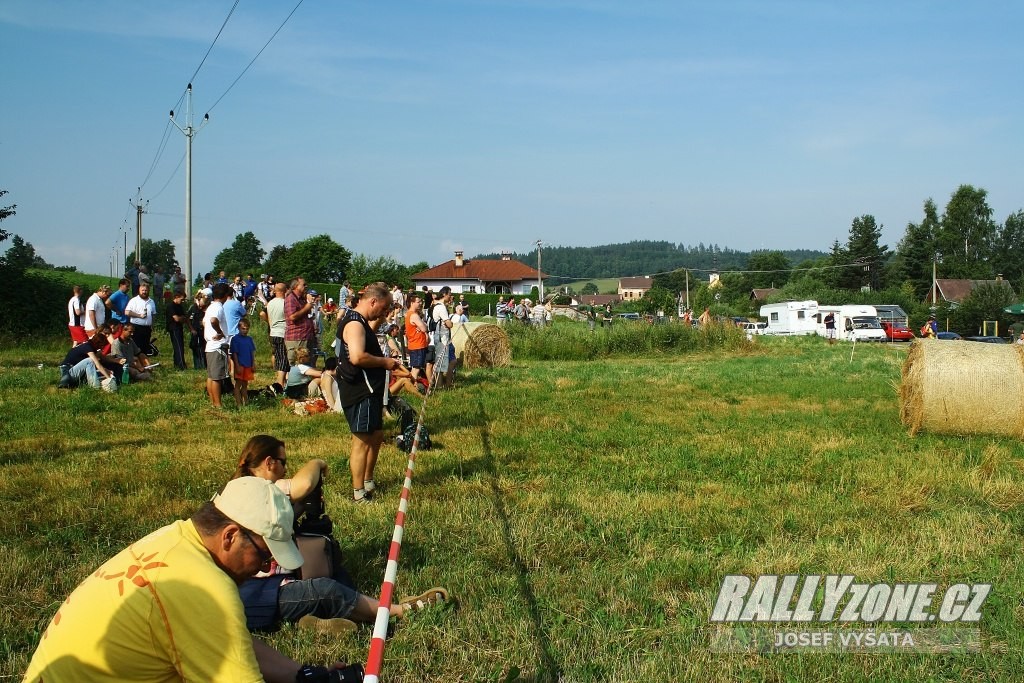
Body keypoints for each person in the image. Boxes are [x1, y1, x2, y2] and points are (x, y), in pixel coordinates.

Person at [21, 475, 365, 682]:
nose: (264, 567)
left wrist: (304, 676)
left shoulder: (173, 540)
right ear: (230, 535)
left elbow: (226, 644)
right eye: (263, 555)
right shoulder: (207, 590)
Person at [232, 436, 448, 634]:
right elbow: (304, 484)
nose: (286, 469)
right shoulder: (264, 489)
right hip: (262, 591)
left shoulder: (245, 491)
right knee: (327, 589)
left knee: (336, 573)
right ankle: (398, 611)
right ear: (269, 462)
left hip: (279, 579)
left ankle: (313, 618)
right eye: (283, 462)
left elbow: (284, 517)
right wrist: (316, 463)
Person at [337, 282, 407, 502]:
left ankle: (368, 479)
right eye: (383, 308)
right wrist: (385, 361)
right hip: (360, 389)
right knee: (362, 440)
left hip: (371, 389)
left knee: (375, 435)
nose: (384, 313)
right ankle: (359, 492)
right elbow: (357, 357)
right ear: (372, 301)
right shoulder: (355, 323)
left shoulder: (363, 323)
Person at [58, 325, 121, 390]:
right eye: (101, 346)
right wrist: (109, 378)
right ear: (98, 343)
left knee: (93, 365)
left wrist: (108, 370)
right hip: (68, 372)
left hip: (75, 371)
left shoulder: (90, 346)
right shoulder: (88, 348)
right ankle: (95, 386)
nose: (101, 348)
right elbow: (97, 364)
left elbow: (102, 358)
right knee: (90, 360)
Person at [204, 283, 232, 409]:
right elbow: (213, 320)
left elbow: (204, 322)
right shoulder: (218, 307)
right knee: (217, 377)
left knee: (211, 376)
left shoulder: (210, 306)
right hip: (217, 346)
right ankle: (217, 404)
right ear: (225, 295)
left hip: (210, 345)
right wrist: (219, 332)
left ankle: (213, 402)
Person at [264, 281, 290, 388]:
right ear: (285, 291)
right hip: (282, 333)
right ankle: (280, 384)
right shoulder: (285, 303)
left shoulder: (270, 303)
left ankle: (282, 382)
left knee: (278, 357)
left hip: (273, 332)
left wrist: (270, 323)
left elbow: (262, 313)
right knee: (284, 360)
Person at [430, 286, 455, 389]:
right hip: (442, 338)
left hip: (441, 337)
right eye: (449, 294)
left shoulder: (437, 305)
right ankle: (443, 385)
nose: (450, 297)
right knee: (445, 362)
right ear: (444, 294)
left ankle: (442, 384)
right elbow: (449, 324)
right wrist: (451, 323)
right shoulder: (441, 307)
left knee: (442, 362)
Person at [285, 278, 314, 364]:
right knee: (297, 366)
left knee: (306, 365)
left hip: (305, 337)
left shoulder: (301, 299)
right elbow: (292, 316)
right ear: (296, 286)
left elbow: (306, 312)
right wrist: (307, 307)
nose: (306, 286)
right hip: (296, 338)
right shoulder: (291, 299)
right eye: (304, 284)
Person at [125, 283, 157, 356]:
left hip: (147, 328)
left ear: (148, 291)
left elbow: (153, 314)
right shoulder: (134, 300)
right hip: (136, 328)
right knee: (136, 347)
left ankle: (144, 363)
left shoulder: (151, 301)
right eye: (142, 290)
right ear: (139, 290)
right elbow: (127, 312)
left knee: (145, 346)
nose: (144, 292)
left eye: (146, 290)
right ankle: (136, 363)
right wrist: (139, 315)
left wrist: (152, 324)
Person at [405, 293, 429, 387]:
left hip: (416, 344)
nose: (420, 304)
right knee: (416, 368)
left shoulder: (409, 314)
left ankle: (410, 385)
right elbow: (424, 328)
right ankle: (411, 387)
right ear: (412, 303)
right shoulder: (414, 315)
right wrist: (422, 325)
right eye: (418, 302)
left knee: (415, 367)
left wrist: (422, 325)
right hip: (417, 345)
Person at [231, 318, 257, 406]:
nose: (245, 331)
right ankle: (238, 403)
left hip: (248, 365)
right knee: (238, 384)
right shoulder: (235, 339)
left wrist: (253, 364)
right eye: (243, 329)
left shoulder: (249, 339)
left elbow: (252, 352)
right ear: (239, 328)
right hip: (240, 365)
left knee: (245, 384)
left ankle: (246, 402)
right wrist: (237, 365)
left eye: (247, 329)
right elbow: (234, 354)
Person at [166, 290, 188, 369]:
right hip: (174, 328)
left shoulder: (180, 306)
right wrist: (181, 318)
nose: (182, 301)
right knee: (178, 346)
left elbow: (184, 317)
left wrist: (181, 318)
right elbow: (176, 319)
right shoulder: (171, 306)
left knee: (180, 345)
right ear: (176, 297)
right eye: (181, 299)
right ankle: (181, 364)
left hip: (179, 328)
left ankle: (178, 363)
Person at [188, 291, 208, 370]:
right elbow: (188, 319)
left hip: (203, 331)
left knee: (203, 348)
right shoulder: (193, 307)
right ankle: (198, 365)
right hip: (196, 330)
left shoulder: (206, 308)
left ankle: (204, 365)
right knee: (196, 347)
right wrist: (192, 329)